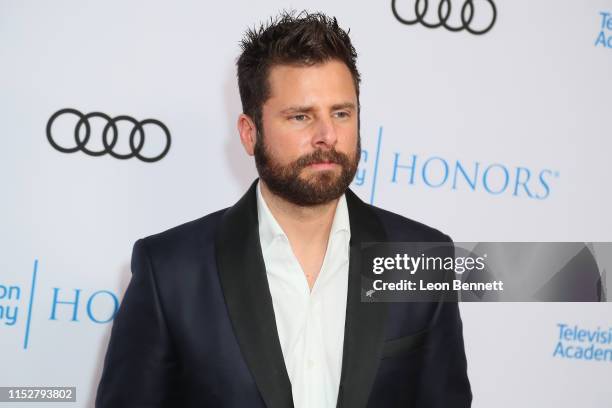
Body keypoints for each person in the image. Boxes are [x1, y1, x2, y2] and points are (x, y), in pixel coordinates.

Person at [95, 11, 471, 408]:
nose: (327, 135)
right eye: (301, 116)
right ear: (249, 132)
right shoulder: (170, 271)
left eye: (341, 113)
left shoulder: (423, 258)